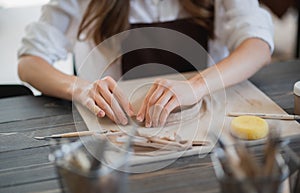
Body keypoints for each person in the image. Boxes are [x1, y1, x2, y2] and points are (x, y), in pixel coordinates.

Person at [18, 0, 273, 128]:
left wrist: (196, 86)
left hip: (207, 127)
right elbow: (30, 61)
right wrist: (81, 88)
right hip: (115, 131)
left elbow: (259, 46)